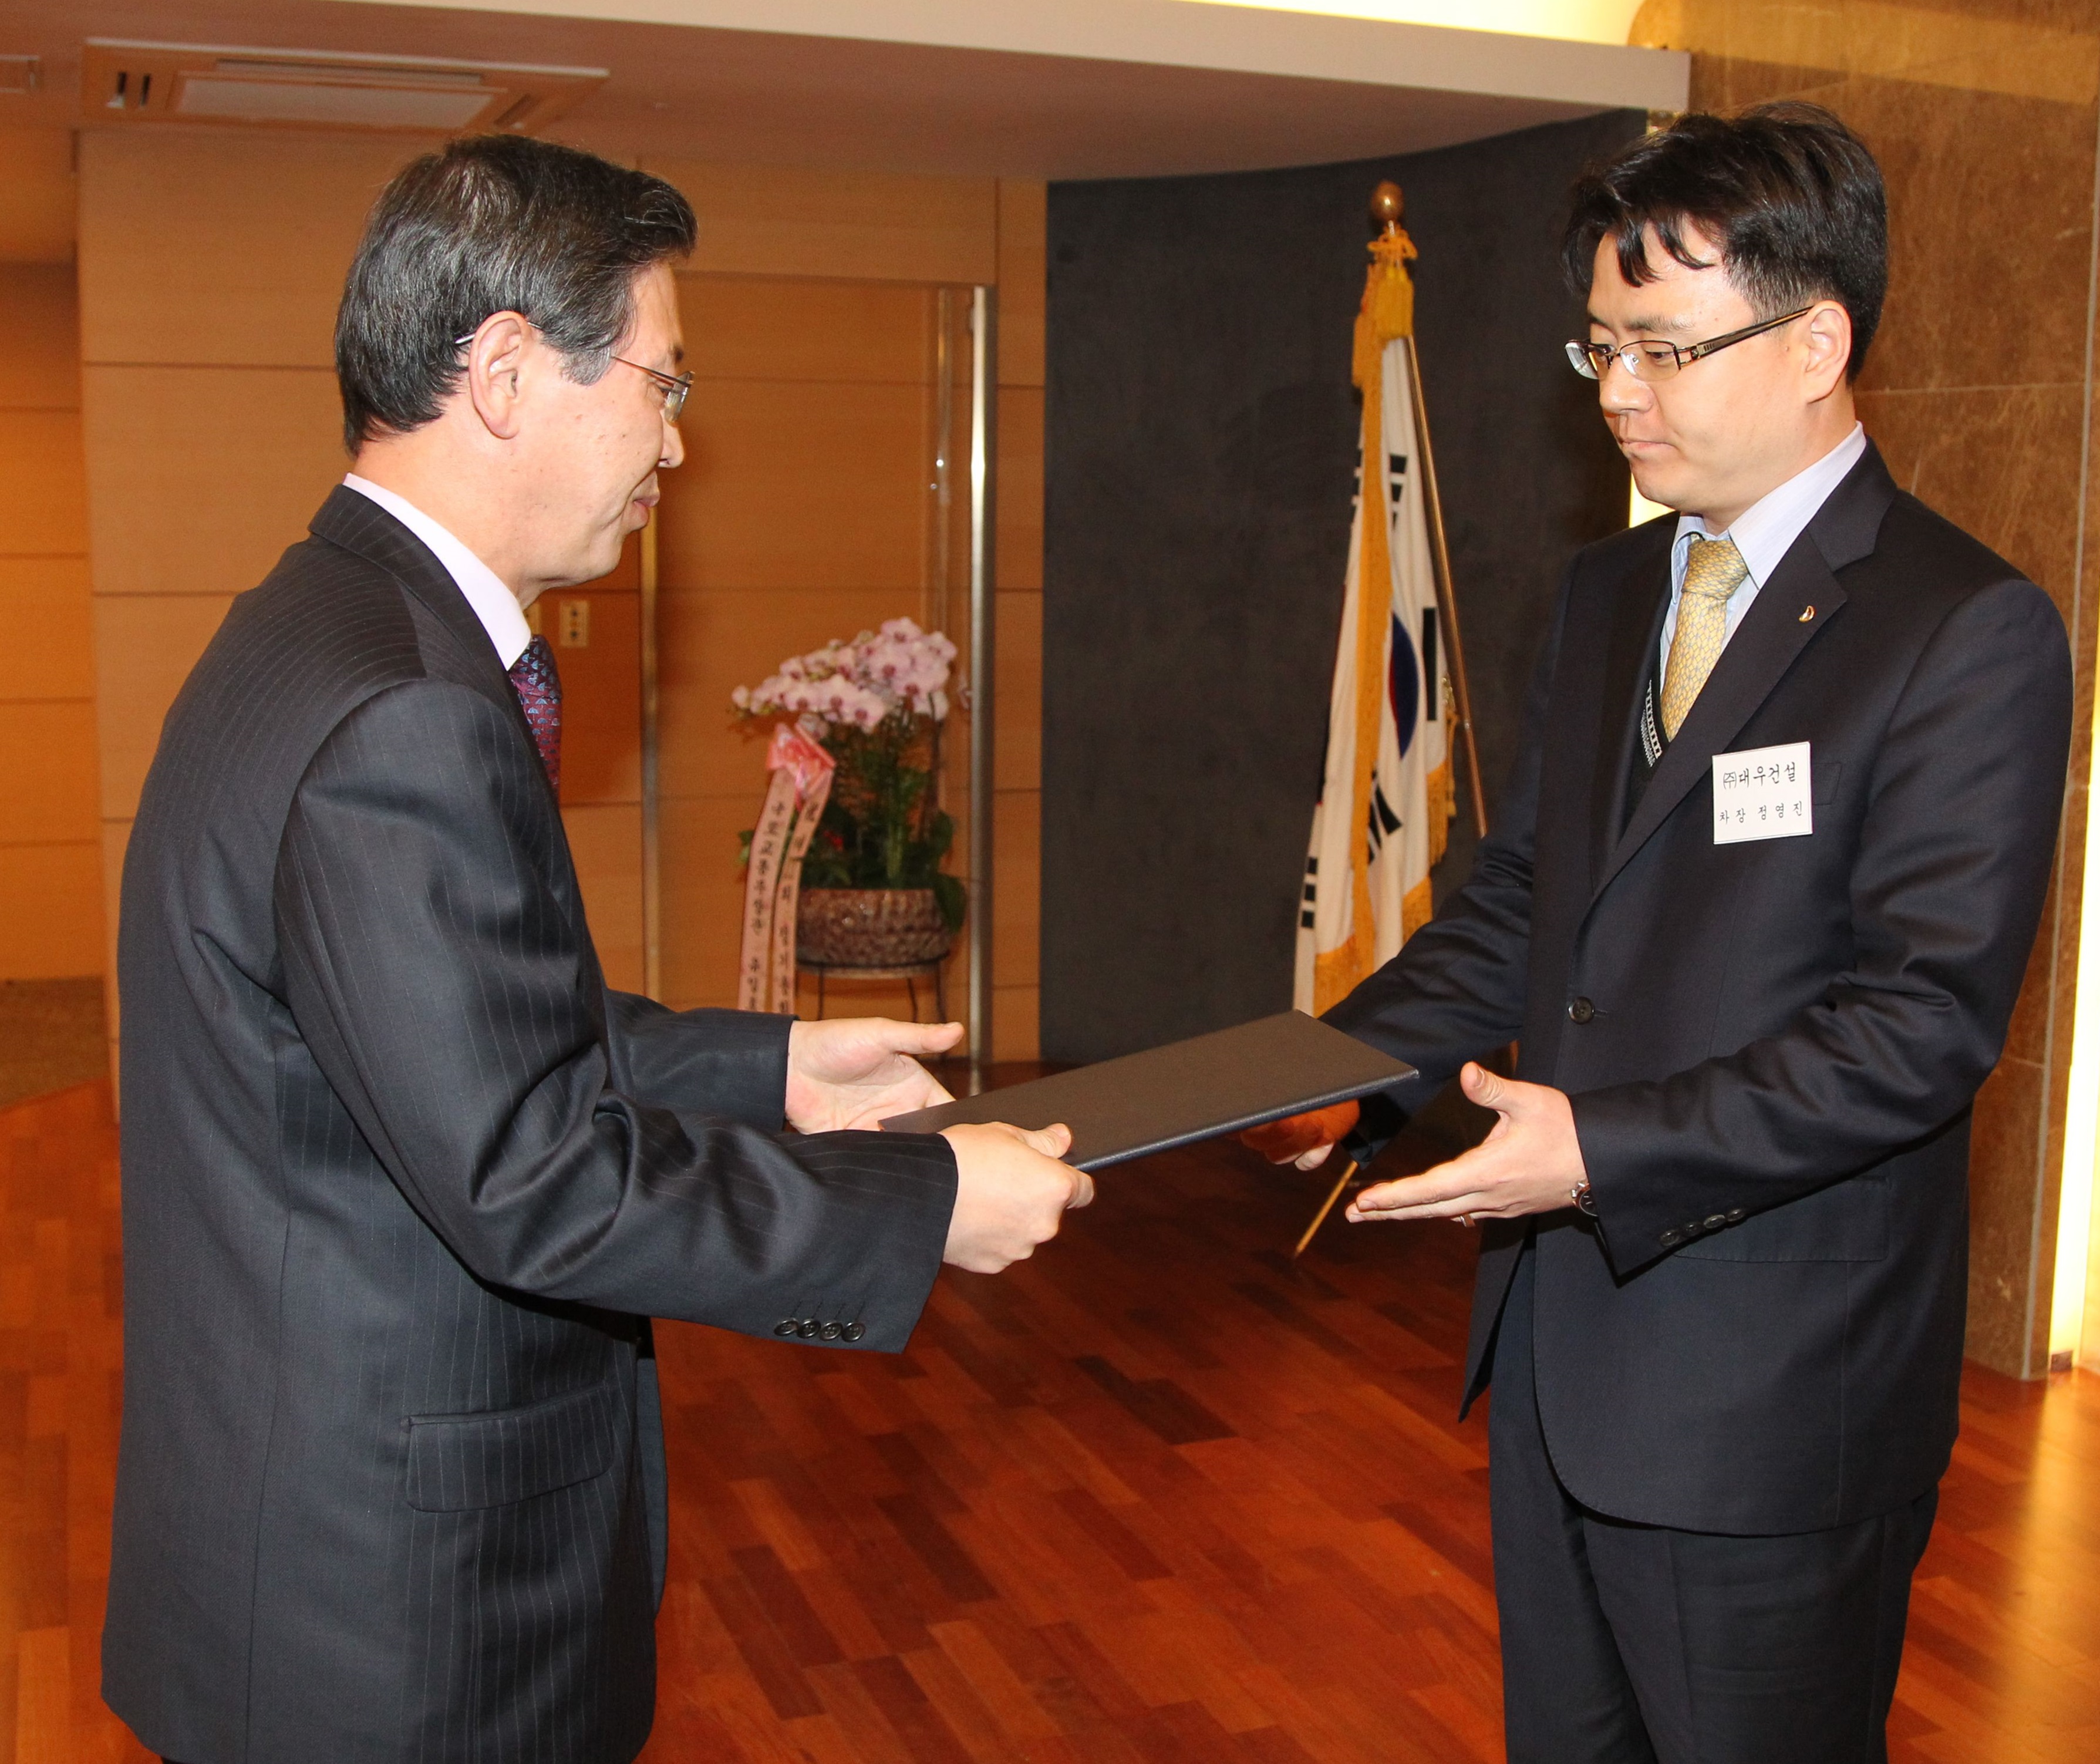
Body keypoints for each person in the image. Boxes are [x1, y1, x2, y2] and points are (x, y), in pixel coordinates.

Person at [103, 134, 1088, 1764]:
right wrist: (925, 1203)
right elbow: (534, 1176)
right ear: (501, 372)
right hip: (403, 1620)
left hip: (298, 1547)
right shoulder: (408, 708)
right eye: (662, 385)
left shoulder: (312, 625)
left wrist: (766, 1065)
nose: (675, 450)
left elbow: (445, 1038)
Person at [1253, 105, 2071, 1762]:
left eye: (1662, 347)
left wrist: (1595, 1148)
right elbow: (1522, 910)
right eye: (1600, 346)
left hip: (1770, 1396)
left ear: (1816, 340)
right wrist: (1341, 1066)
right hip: (1560, 1359)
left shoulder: (1962, 629)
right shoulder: (1610, 593)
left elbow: (1920, 1023)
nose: (1616, 390)